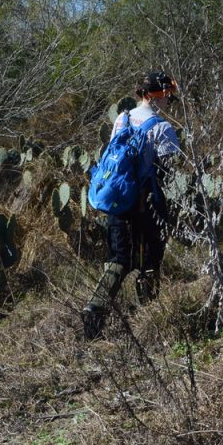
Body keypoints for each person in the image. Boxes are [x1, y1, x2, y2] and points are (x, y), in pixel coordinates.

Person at [82, 71, 181, 340]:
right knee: (150, 258)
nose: (170, 102)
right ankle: (149, 317)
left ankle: (94, 311)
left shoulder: (121, 119)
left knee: (118, 259)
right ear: (159, 96)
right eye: (168, 97)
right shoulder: (162, 128)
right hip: (147, 203)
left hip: (117, 200)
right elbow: (169, 173)